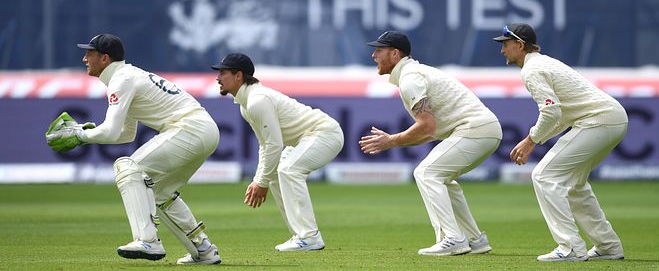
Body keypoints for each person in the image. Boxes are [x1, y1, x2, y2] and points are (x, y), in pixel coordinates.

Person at [45, 33, 221, 265]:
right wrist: (87, 133)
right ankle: (204, 249)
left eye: (90, 53)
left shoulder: (122, 79)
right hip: (204, 130)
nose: (84, 58)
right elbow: (125, 134)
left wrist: (80, 135)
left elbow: (110, 132)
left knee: (128, 167)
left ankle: (147, 240)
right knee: (160, 193)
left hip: (190, 128)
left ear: (105, 58)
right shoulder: (126, 76)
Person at [360, 31, 502, 256]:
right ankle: (475, 239)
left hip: (475, 129)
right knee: (442, 180)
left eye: (379, 50)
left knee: (426, 173)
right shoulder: (412, 74)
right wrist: (393, 142)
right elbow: (431, 132)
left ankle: (453, 238)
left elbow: (426, 127)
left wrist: (391, 141)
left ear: (395, 53)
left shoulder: (410, 79)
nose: (373, 55)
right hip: (483, 129)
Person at [495, 23, 627, 262]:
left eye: (505, 44)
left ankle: (570, 248)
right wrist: (533, 139)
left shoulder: (532, 70)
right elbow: (560, 113)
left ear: (520, 45)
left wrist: (530, 140)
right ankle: (608, 247)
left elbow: (552, 111)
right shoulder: (543, 62)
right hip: (612, 118)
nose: (502, 50)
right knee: (574, 185)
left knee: (544, 176)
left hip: (598, 121)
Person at [211, 53, 344, 251]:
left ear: (238, 75)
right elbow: (265, 145)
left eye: (223, 73)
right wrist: (260, 179)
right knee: (274, 173)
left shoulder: (257, 100)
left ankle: (309, 237)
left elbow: (275, 144)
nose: (218, 78)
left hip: (325, 134)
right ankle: (300, 235)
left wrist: (260, 183)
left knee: (288, 169)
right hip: (306, 138)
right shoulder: (246, 105)